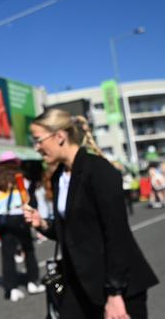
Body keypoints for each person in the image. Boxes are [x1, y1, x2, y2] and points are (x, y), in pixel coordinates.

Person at [25, 109, 158, 319]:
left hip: (118, 284)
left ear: (60, 136)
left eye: (38, 140)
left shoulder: (99, 171)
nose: (37, 147)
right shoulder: (59, 176)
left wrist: (115, 294)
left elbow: (117, 236)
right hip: (80, 282)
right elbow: (71, 232)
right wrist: (42, 224)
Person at [0, 153, 44, 302]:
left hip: (3, 220)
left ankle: (11, 289)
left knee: (7, 255)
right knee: (28, 250)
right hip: (20, 217)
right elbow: (28, 199)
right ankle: (33, 282)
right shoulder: (21, 178)